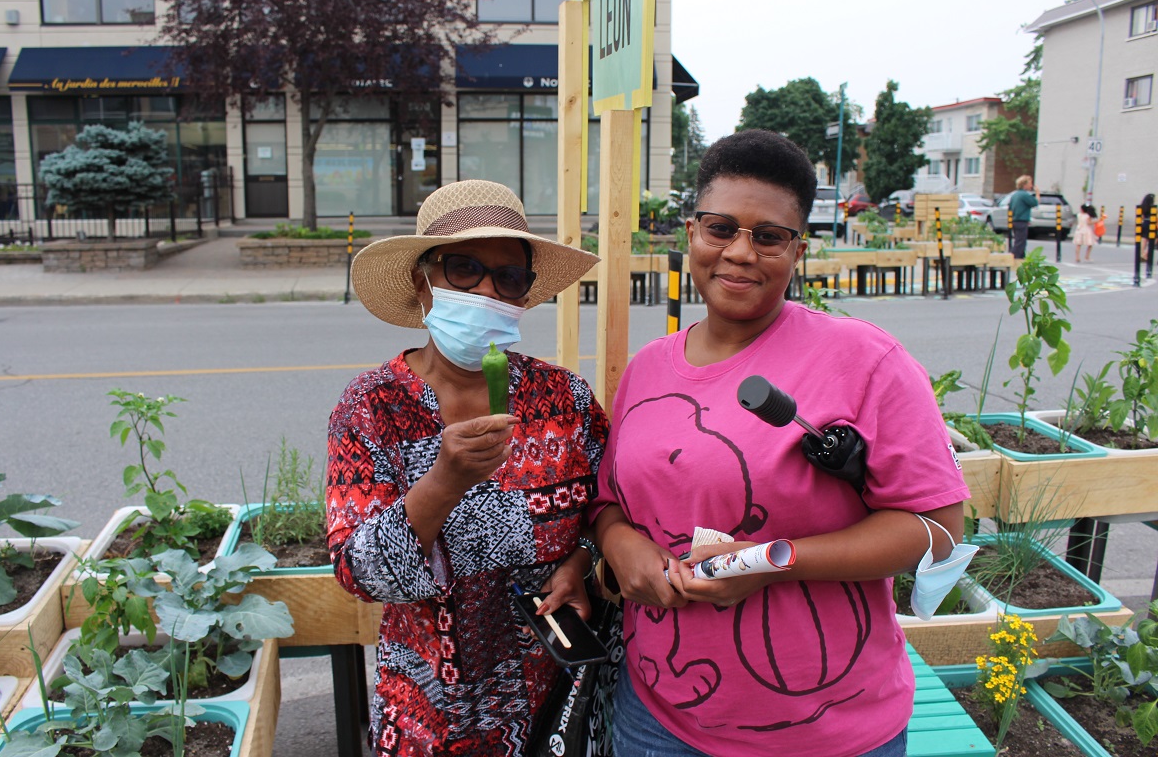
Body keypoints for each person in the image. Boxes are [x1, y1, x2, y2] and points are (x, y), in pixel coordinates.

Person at [589, 129, 971, 757]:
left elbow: (939, 530)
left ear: (798, 250)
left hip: (832, 733)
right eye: (720, 229)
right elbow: (610, 502)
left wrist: (773, 561)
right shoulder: (648, 368)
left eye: (768, 237)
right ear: (691, 233)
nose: (740, 253)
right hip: (657, 719)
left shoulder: (865, 360)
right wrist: (619, 545)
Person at [326, 179, 609, 756]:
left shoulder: (565, 398)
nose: (486, 291)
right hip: (431, 710)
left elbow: (609, 507)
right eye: (463, 269)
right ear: (422, 281)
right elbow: (360, 573)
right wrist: (443, 483)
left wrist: (579, 563)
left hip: (554, 696)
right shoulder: (374, 406)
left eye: (508, 278)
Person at [1007, 174, 1039, 259]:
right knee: (1020, 242)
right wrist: (1037, 193)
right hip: (1021, 221)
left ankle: (1021, 258)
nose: (1031, 186)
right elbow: (1035, 203)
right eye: (1030, 183)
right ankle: (1014, 257)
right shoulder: (1024, 195)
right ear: (1024, 185)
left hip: (1014, 220)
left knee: (1019, 240)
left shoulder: (1015, 195)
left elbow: (1010, 207)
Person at [1141, 193, 1156, 262]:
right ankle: (1145, 254)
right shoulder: (1154, 207)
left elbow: (1142, 217)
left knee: (1144, 239)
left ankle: (1141, 254)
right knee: (1154, 240)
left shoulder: (1143, 206)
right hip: (1152, 224)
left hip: (1145, 223)